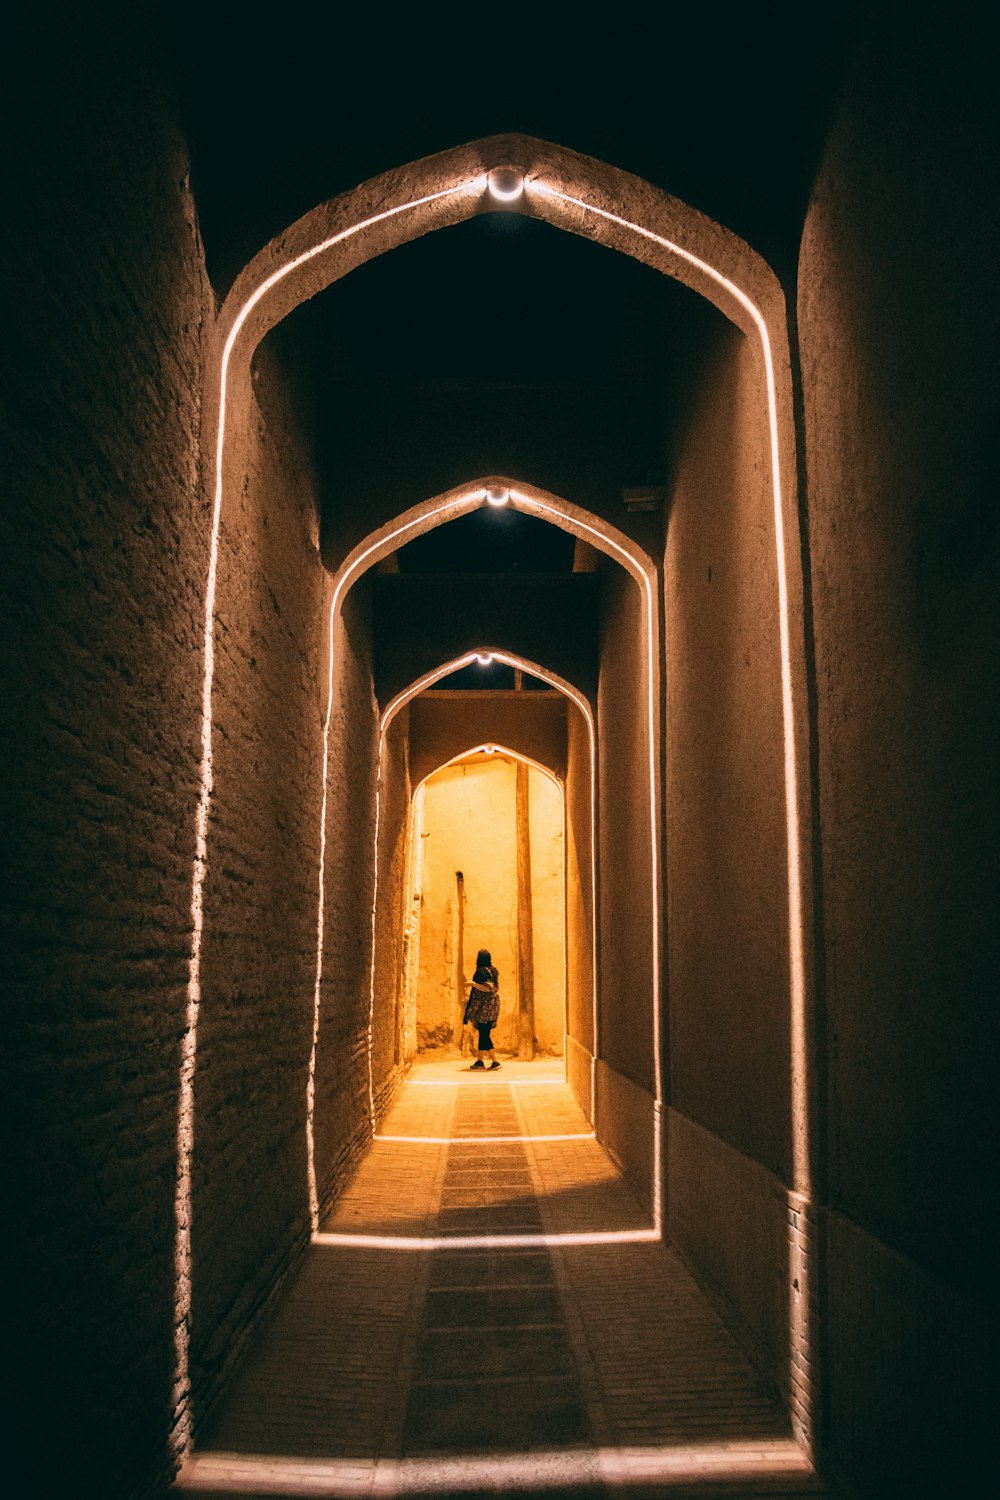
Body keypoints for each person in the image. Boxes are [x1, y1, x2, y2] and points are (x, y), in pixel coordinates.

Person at [463, 948, 501, 1070]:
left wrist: (472, 984)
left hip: (484, 1006)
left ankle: (494, 1062)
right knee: (484, 1032)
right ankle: (480, 1061)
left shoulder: (481, 972)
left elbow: (489, 988)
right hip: (493, 1004)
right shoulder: (493, 970)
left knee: (484, 1033)